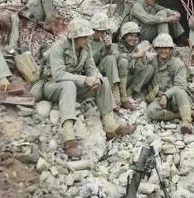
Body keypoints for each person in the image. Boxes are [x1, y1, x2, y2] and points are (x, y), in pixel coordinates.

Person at [40, 18, 133, 159]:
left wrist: (96, 78)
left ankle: (110, 124)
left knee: (104, 81)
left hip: (73, 84)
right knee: (68, 85)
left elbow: (91, 68)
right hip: (53, 85)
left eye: (87, 36)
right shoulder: (58, 47)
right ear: (74, 37)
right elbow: (58, 75)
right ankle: (68, 136)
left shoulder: (86, 48)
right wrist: (84, 79)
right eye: (84, 37)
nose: (87, 39)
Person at [145, 33, 194, 134]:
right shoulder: (151, 61)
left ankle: (186, 122)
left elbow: (181, 86)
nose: (163, 51)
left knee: (180, 92)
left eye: (166, 48)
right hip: (158, 99)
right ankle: (179, 115)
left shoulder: (177, 63)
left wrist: (166, 95)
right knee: (151, 112)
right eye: (160, 48)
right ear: (156, 49)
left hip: (175, 99)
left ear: (171, 49)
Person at [89, 12, 134, 110]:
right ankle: (114, 98)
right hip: (89, 72)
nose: (101, 34)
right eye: (98, 31)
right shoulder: (86, 39)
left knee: (111, 59)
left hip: (102, 70)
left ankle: (118, 98)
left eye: (103, 31)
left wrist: (108, 48)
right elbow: (89, 61)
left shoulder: (105, 38)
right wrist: (103, 47)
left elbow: (112, 59)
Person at [116, 21, 154, 102]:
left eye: (136, 36)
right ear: (124, 36)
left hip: (130, 80)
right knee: (124, 61)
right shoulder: (115, 47)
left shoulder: (137, 48)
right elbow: (117, 57)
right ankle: (122, 96)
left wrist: (145, 57)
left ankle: (129, 93)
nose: (134, 39)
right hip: (118, 82)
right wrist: (135, 55)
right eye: (131, 36)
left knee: (150, 68)